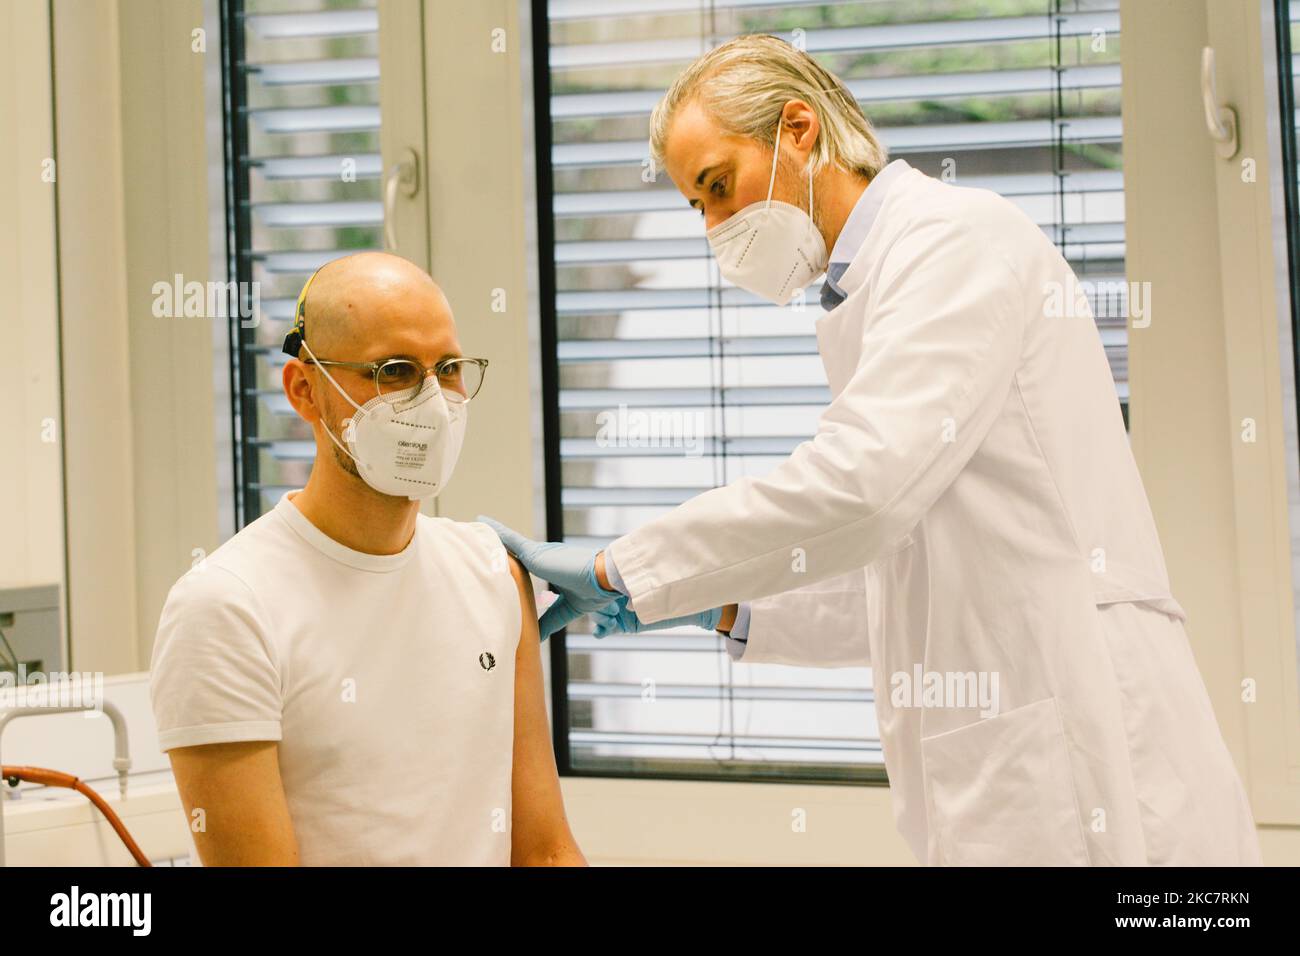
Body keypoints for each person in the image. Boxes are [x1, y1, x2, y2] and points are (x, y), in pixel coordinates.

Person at [484, 34, 1261, 866]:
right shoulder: (866, 295)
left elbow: (861, 493)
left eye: (718, 187)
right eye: (696, 207)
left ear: (799, 130)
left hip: (1086, 735)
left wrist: (624, 566)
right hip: (1012, 747)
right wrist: (719, 604)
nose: (714, 228)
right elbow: (904, 578)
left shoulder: (956, 241)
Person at [151, 252, 585, 866]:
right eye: (395, 370)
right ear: (305, 391)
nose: (432, 401)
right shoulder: (226, 608)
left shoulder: (491, 570)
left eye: (450, 368)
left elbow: (546, 852)